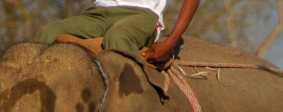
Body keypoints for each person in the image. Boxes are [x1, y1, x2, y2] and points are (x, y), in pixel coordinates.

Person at [37, 0, 201, 67]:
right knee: (49, 32)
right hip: (98, 13)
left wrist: (170, 42)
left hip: (142, 15)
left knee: (117, 37)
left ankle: (130, 108)